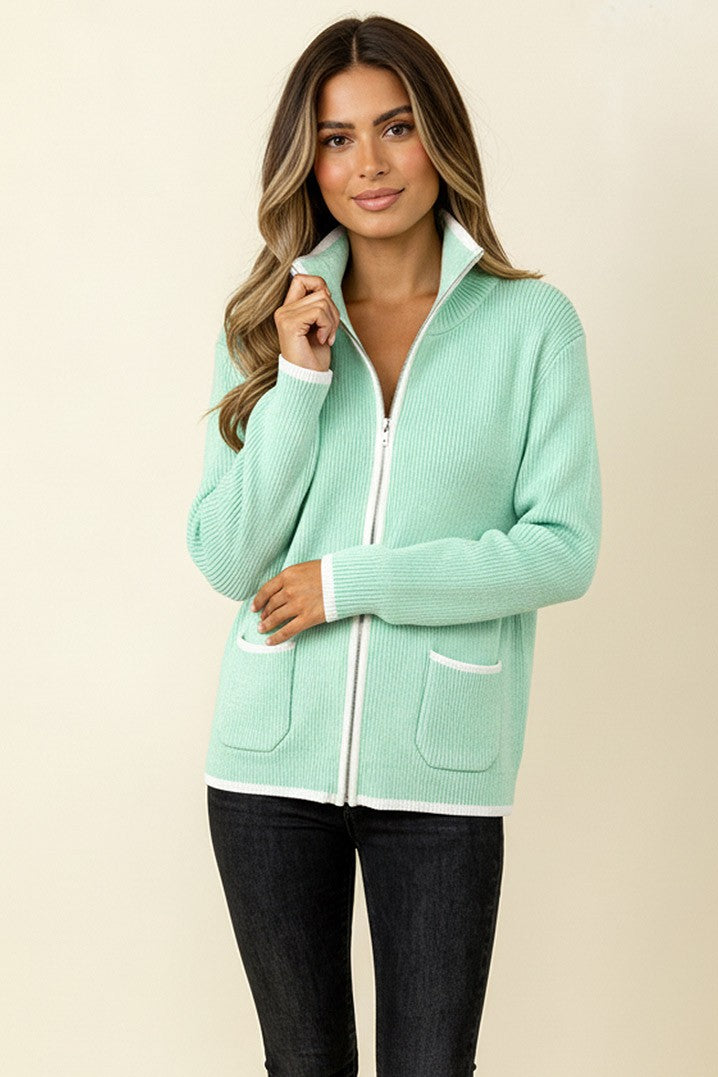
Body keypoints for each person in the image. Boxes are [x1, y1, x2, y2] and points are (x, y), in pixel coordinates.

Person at [185, 15, 602, 1077]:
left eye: (396, 127)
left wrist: (352, 583)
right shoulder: (264, 324)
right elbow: (229, 559)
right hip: (266, 770)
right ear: (308, 162)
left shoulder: (531, 325)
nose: (368, 163)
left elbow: (560, 548)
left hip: (441, 773)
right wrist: (300, 381)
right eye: (336, 138)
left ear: (439, 138)